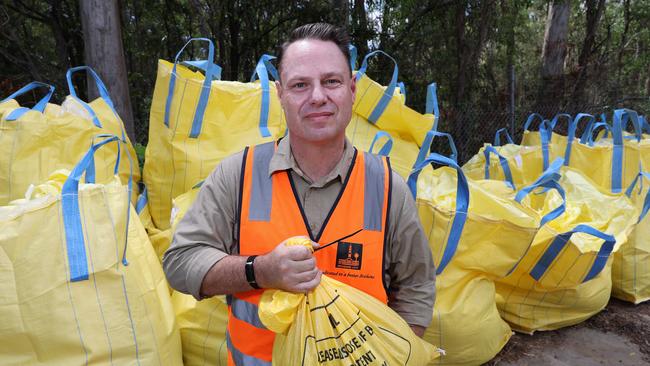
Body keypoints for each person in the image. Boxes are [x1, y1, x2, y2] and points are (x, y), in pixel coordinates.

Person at [163, 22, 435, 365]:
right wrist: (258, 271)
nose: (317, 96)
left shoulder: (387, 187)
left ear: (352, 89)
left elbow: (417, 287)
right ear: (280, 94)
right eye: (300, 85)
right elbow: (180, 261)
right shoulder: (239, 174)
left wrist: (395, 354)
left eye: (331, 81)